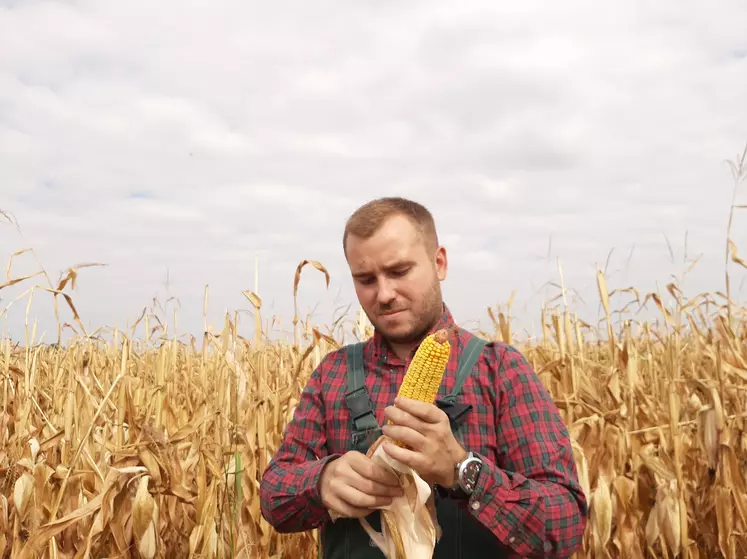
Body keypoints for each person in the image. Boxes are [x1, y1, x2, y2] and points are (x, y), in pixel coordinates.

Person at [260, 197, 588, 558]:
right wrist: (321, 481)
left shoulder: (500, 370)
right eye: (366, 279)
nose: (384, 294)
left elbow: (565, 524)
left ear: (439, 263)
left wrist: (462, 470)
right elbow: (274, 495)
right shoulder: (333, 374)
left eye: (399, 271)